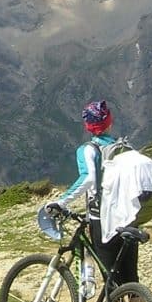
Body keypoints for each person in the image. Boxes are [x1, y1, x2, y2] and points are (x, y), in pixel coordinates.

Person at [48, 100, 139, 288]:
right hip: (128, 216)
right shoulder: (124, 147)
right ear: (109, 123)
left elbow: (88, 178)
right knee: (132, 278)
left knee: (111, 281)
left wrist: (63, 201)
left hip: (102, 220)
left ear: (88, 126)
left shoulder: (88, 150)